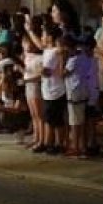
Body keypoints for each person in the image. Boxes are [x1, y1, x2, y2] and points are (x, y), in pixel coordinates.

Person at [62, 34, 93, 157]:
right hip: (83, 90)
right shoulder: (83, 56)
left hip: (74, 92)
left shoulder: (73, 59)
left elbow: (63, 73)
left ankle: (76, 147)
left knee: (75, 122)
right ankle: (82, 146)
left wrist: (62, 60)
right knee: (81, 121)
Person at [39, 26, 67, 155]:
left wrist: (43, 71)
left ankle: (59, 143)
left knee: (57, 120)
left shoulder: (57, 51)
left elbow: (54, 71)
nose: (42, 38)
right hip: (47, 89)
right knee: (48, 118)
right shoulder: (47, 50)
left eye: (44, 35)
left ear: (50, 37)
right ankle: (48, 142)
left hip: (56, 90)